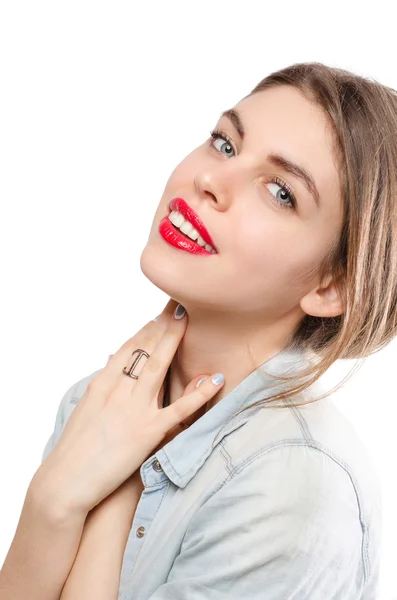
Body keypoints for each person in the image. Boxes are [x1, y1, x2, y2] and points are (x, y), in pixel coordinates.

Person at [1, 61, 391, 599]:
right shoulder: (99, 405)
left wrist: (115, 481)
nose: (210, 179)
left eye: (280, 191)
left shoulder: (290, 487)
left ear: (331, 286)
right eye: (225, 143)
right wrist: (52, 502)